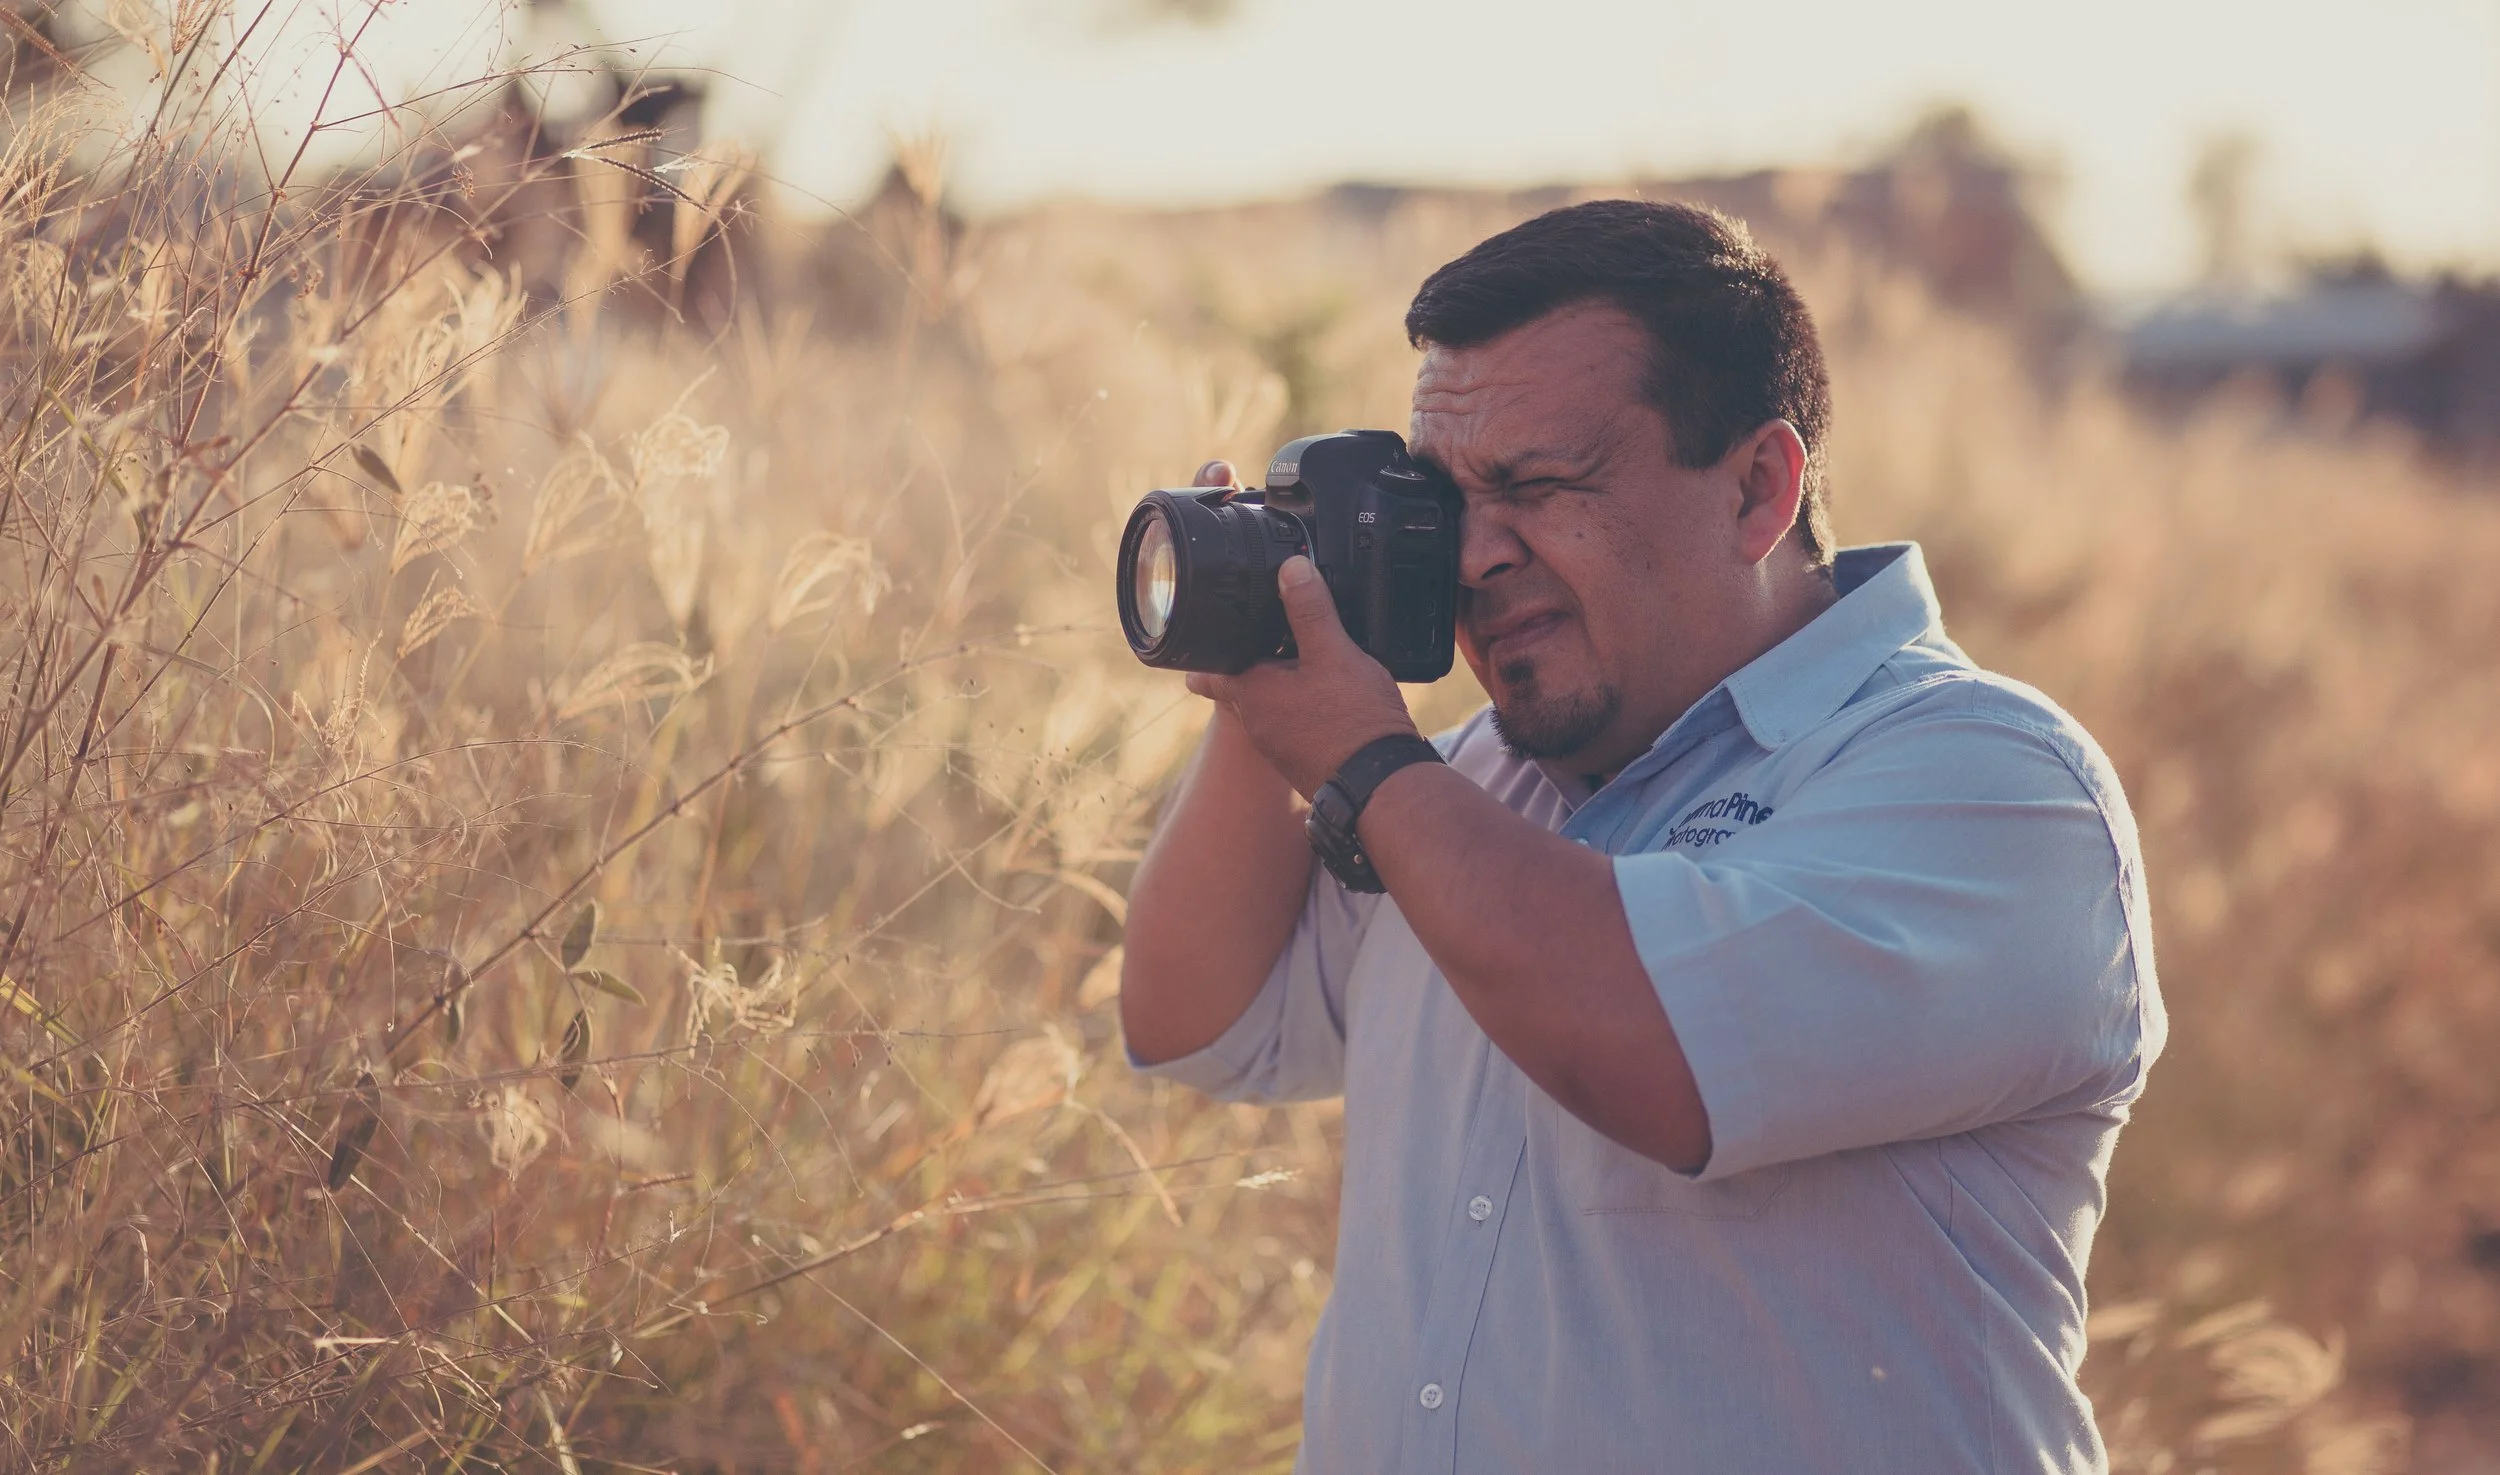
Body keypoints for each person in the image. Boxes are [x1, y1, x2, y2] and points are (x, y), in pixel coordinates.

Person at [1119, 198, 2163, 1474]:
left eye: (1536, 486)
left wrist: (1363, 758)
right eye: (1445, 500)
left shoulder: (1987, 785)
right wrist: (1270, 660)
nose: (1474, 556)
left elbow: (1661, 1056)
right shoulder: (1463, 786)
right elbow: (1196, 1023)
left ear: (1757, 489)